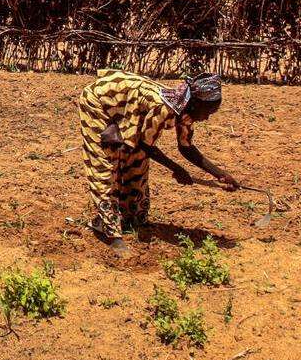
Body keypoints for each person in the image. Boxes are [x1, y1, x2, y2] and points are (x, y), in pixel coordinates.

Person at [78, 70, 238, 253]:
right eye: (208, 111)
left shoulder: (187, 111)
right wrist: (177, 169)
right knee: (105, 165)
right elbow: (147, 146)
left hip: (129, 108)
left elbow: (186, 147)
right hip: (99, 101)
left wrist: (221, 175)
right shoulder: (165, 107)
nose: (207, 117)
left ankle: (131, 218)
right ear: (196, 103)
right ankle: (111, 232)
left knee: (136, 160)